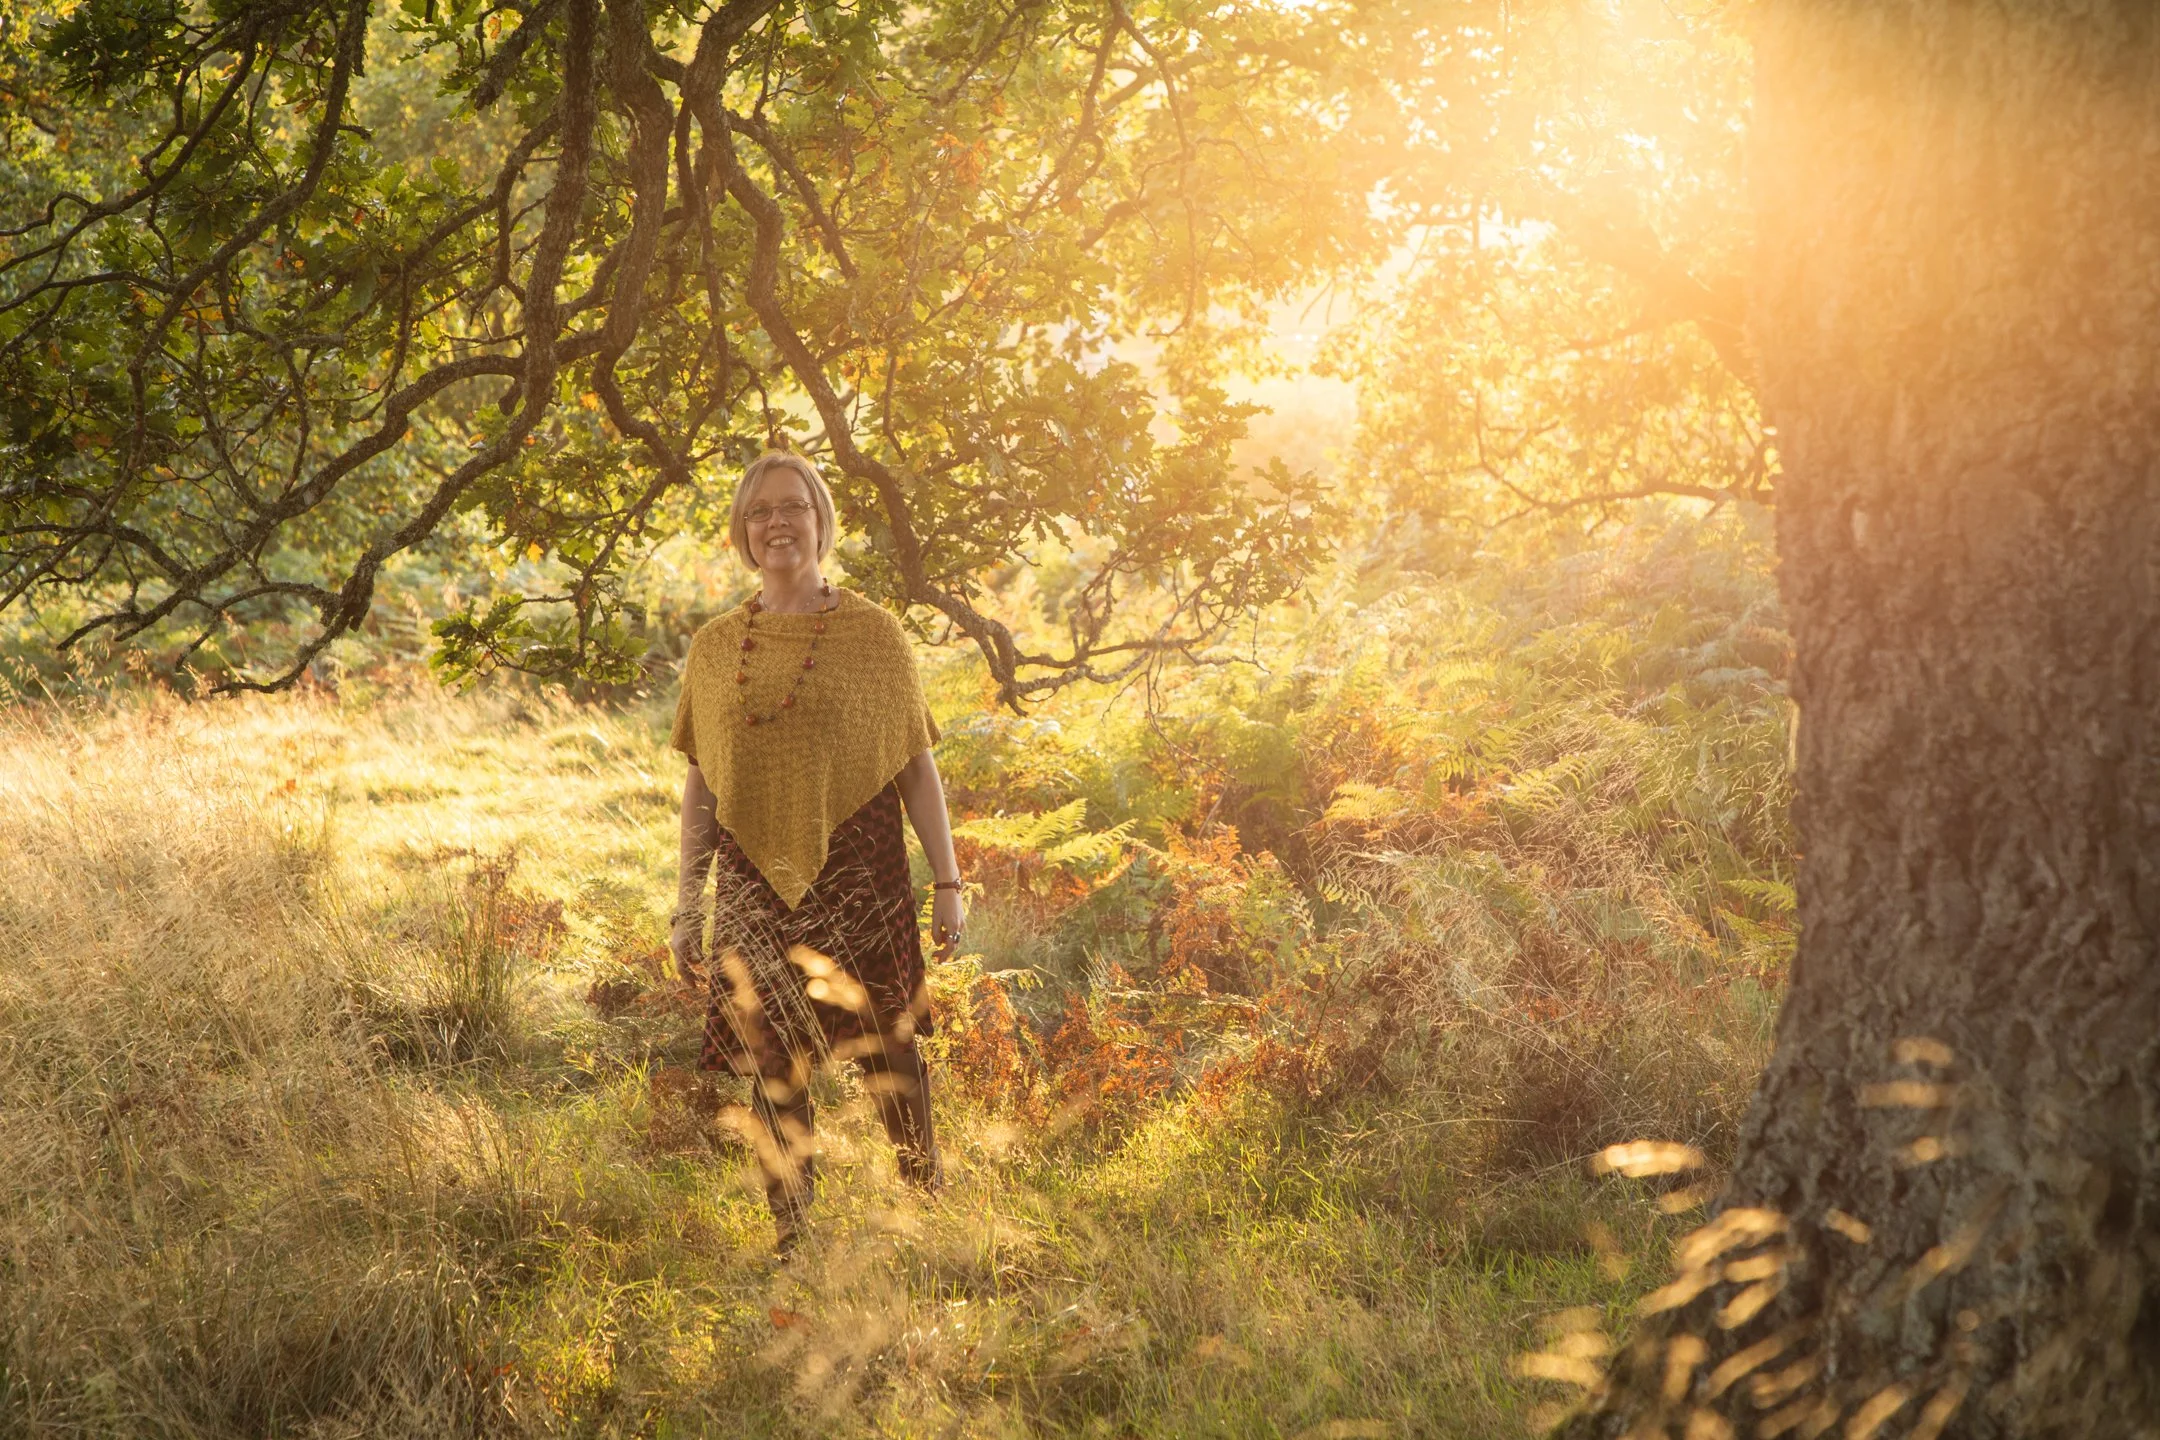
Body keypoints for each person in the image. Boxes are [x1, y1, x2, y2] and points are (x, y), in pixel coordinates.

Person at [666, 449, 966, 1254]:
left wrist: (948, 882)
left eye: (792, 507)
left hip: (863, 874)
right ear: (742, 529)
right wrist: (686, 903)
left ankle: (927, 1208)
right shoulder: (718, 646)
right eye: (760, 510)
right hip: (753, 883)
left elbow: (914, 765)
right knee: (772, 1061)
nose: (776, 523)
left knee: (888, 1051)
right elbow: (702, 787)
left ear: (821, 519)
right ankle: (793, 1237)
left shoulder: (873, 635)